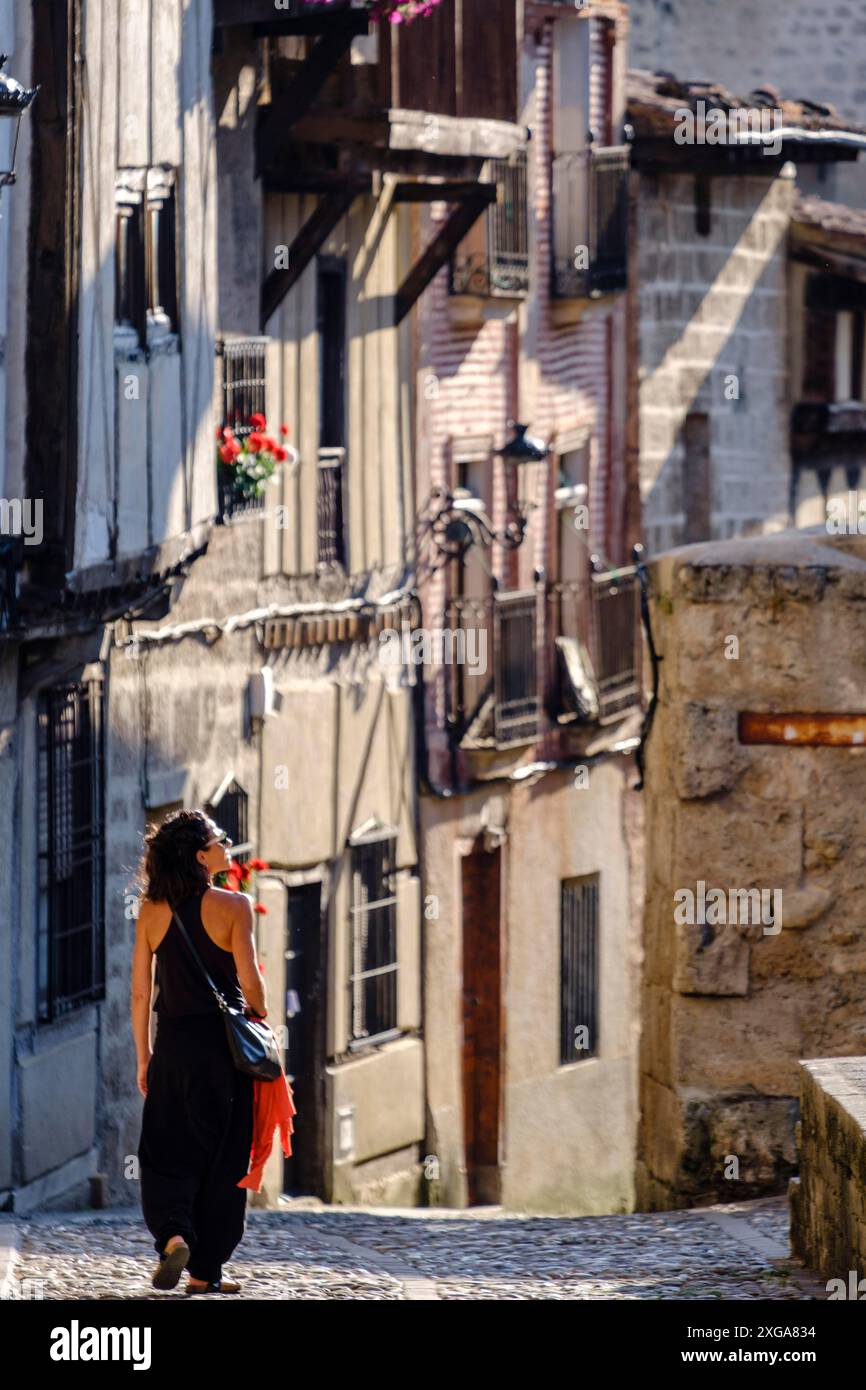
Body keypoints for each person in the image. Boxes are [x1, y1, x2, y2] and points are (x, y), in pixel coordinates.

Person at [130, 809, 269, 1295]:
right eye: (219, 839)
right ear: (200, 855)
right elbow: (249, 981)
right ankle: (206, 1270)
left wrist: (144, 1057)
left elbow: (140, 994)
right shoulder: (234, 906)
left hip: (172, 1047)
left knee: (167, 1149)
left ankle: (172, 1235)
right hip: (224, 1053)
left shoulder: (150, 911)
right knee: (225, 1154)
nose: (227, 844)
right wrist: (260, 1008)